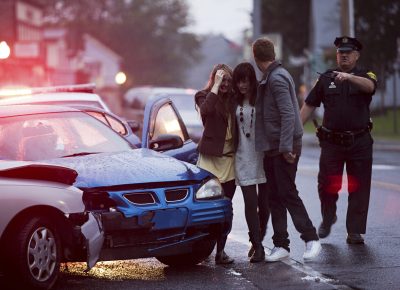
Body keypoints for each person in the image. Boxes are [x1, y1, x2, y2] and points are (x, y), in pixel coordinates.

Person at [300, 36, 377, 244]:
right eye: (340, 52)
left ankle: (354, 230)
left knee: (359, 186)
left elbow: (370, 86)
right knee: (326, 183)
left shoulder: (365, 75)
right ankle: (328, 216)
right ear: (336, 55)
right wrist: (294, 133)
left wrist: (348, 77)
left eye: (348, 52)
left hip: (359, 141)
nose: (344, 55)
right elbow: (309, 105)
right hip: (332, 142)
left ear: (356, 55)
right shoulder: (325, 78)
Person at [252, 37, 321, 262]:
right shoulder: (272, 76)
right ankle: (281, 245)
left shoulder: (277, 78)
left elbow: (289, 114)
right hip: (273, 147)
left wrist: (285, 147)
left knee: (288, 193)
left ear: (255, 58)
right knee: (275, 197)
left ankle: (311, 238)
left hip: (284, 147)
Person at [195, 64, 237, 264]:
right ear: (214, 79)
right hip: (210, 161)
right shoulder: (203, 96)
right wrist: (216, 85)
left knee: (225, 208)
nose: (225, 84)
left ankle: (221, 251)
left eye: (228, 80)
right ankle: (201, 249)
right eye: (222, 80)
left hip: (229, 161)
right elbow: (206, 111)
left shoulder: (234, 99)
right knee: (206, 209)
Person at [232, 62, 270, 263]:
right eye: (239, 81)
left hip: (262, 156)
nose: (242, 85)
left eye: (245, 81)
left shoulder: (261, 98)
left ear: (252, 81)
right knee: (250, 203)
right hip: (242, 157)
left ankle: (257, 237)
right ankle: (258, 246)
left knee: (264, 205)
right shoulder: (233, 101)